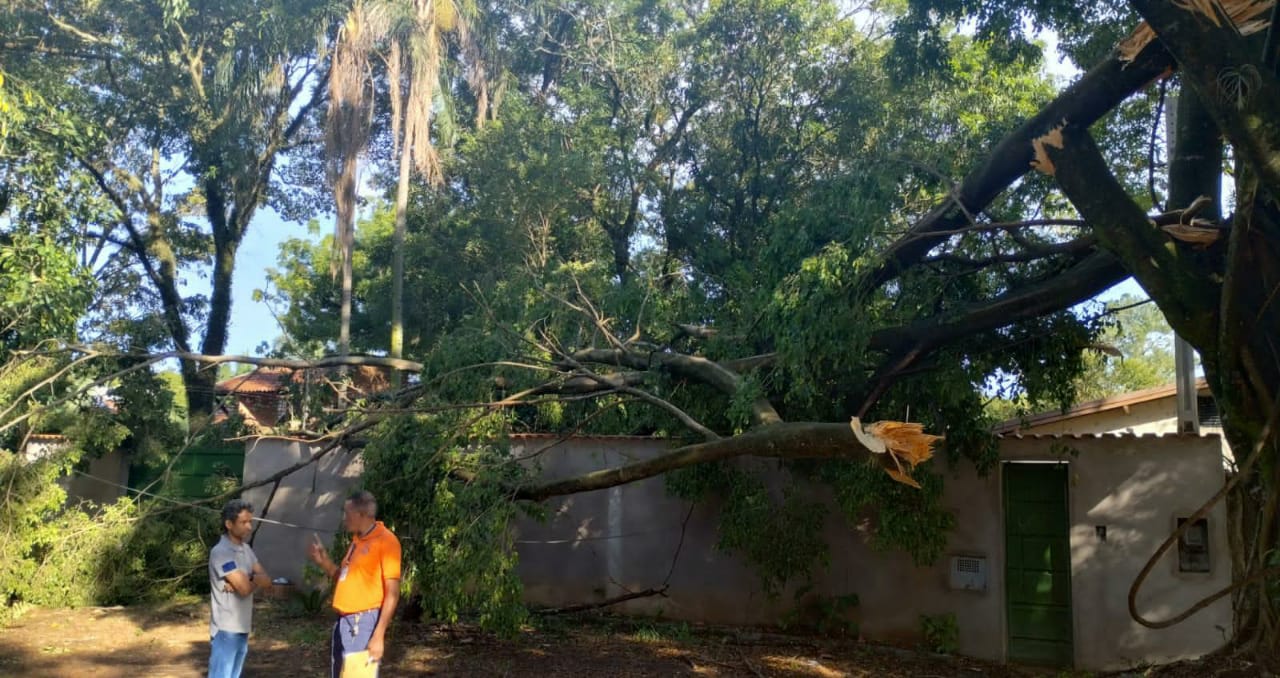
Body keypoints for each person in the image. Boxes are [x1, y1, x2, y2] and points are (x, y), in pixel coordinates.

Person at [307, 490, 402, 678]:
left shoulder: (386, 541)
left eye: (347, 513)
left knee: (357, 674)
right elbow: (343, 579)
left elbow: (393, 593)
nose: (344, 518)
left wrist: (378, 635)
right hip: (343, 621)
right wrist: (323, 562)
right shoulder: (357, 541)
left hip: (362, 622)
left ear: (361, 515)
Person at [208, 499, 271, 678]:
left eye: (250, 521)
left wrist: (248, 579)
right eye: (243, 522)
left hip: (243, 627)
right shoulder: (221, 552)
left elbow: (266, 580)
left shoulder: (246, 550)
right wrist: (252, 580)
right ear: (229, 524)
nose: (249, 527)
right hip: (225, 629)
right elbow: (244, 589)